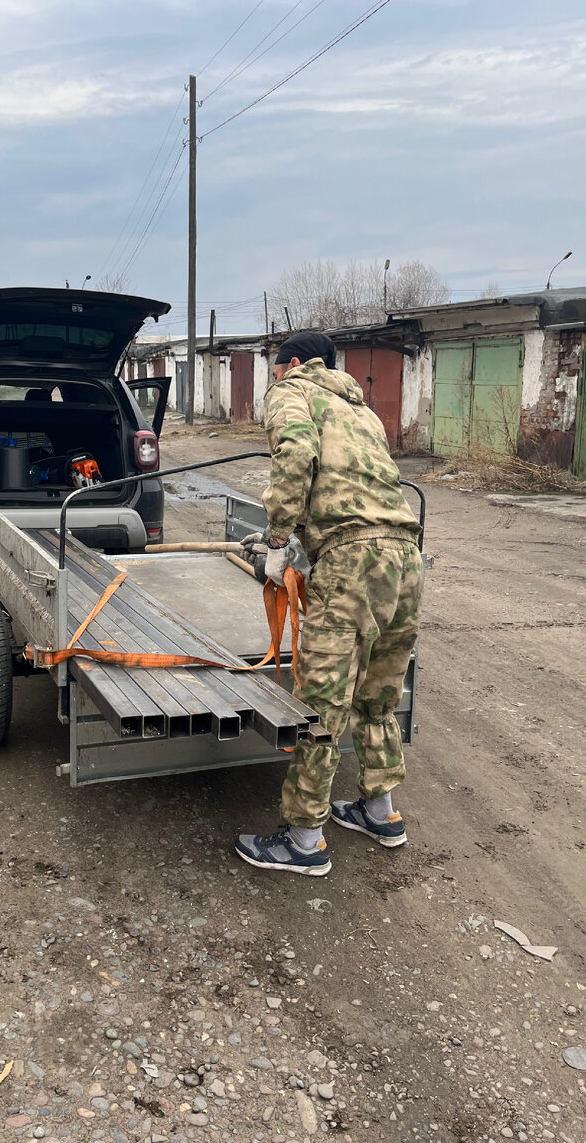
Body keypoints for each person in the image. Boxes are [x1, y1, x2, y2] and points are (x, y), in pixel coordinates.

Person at [235, 331, 424, 876]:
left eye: (274, 369)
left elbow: (295, 454)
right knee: (378, 696)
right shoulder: (360, 411)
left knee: (319, 704)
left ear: (293, 363)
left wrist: (276, 541)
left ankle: (303, 841)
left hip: (351, 562)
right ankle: (380, 811)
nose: (273, 380)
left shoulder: (293, 390)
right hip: (405, 558)